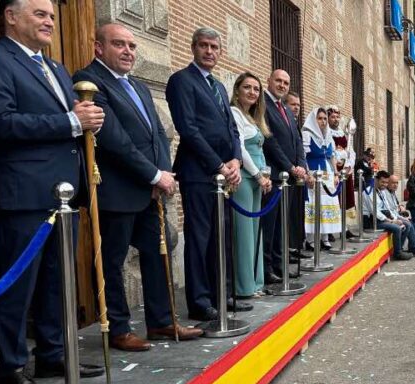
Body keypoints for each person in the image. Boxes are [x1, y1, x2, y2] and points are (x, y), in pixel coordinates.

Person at [0, 0, 106, 384]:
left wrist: (85, 119)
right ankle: (10, 368)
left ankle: (51, 355)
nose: (50, 21)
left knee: (57, 282)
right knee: (18, 286)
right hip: (22, 194)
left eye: (51, 15)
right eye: (40, 14)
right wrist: (70, 122)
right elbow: (2, 122)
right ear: (11, 16)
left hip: (61, 193)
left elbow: (68, 121)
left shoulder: (57, 68)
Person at [73, 23, 203, 351]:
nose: (129, 51)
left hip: (149, 189)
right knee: (112, 260)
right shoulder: (89, 82)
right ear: (99, 47)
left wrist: (163, 173)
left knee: (159, 249)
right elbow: (114, 139)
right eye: (119, 45)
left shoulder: (139, 87)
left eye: (132, 45)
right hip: (116, 190)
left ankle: (160, 322)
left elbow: (159, 132)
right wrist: (152, 174)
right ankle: (118, 328)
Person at [167, 27, 250, 321]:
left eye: (214, 47)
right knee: (200, 238)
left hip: (225, 174)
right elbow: (188, 130)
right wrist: (219, 165)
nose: (209, 51)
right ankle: (201, 301)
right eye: (204, 46)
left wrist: (236, 161)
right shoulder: (181, 81)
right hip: (199, 173)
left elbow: (231, 129)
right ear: (193, 48)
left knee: (222, 237)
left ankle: (222, 294)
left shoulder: (217, 85)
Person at [261, 70, 308, 283]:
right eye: (278, 81)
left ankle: (281, 266)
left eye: (286, 82)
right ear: (269, 81)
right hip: (274, 174)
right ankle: (267, 268)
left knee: (283, 227)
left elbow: (297, 141)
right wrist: (290, 166)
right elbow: (270, 141)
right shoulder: (263, 105)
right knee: (270, 227)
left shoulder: (286, 110)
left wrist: (301, 166)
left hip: (289, 177)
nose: (282, 85)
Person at [229, 72, 272, 299]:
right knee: (244, 233)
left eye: (256, 89)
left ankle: (256, 283)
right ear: (237, 90)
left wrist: (265, 176)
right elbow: (241, 150)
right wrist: (257, 176)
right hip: (245, 179)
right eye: (247, 87)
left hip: (258, 179)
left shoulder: (253, 118)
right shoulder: (235, 113)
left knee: (256, 231)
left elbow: (259, 151)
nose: (252, 92)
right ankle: (244, 287)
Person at [301, 107, 342, 249]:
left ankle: (325, 238)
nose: (323, 121)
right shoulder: (307, 134)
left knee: (326, 204)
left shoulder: (328, 134)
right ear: (314, 119)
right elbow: (303, 156)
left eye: (325, 118)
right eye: (320, 118)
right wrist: (307, 174)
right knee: (314, 205)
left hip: (328, 174)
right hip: (314, 173)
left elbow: (331, 156)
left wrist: (336, 173)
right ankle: (310, 240)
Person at [374, 171, 415, 259]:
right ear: (376, 181)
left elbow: (391, 209)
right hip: (378, 219)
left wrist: (400, 213)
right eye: (392, 183)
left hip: (389, 216)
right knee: (404, 225)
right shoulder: (382, 192)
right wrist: (394, 219)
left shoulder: (389, 192)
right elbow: (380, 211)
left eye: (397, 183)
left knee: (414, 223)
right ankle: (402, 251)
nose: (395, 185)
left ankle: (411, 247)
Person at [327, 105, 358, 238]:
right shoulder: (326, 133)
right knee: (333, 201)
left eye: (337, 117)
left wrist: (348, 166)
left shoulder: (343, 134)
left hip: (345, 173)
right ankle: (328, 231)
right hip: (333, 172)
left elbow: (351, 152)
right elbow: (329, 153)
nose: (336, 119)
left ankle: (344, 228)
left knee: (346, 200)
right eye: (333, 117)